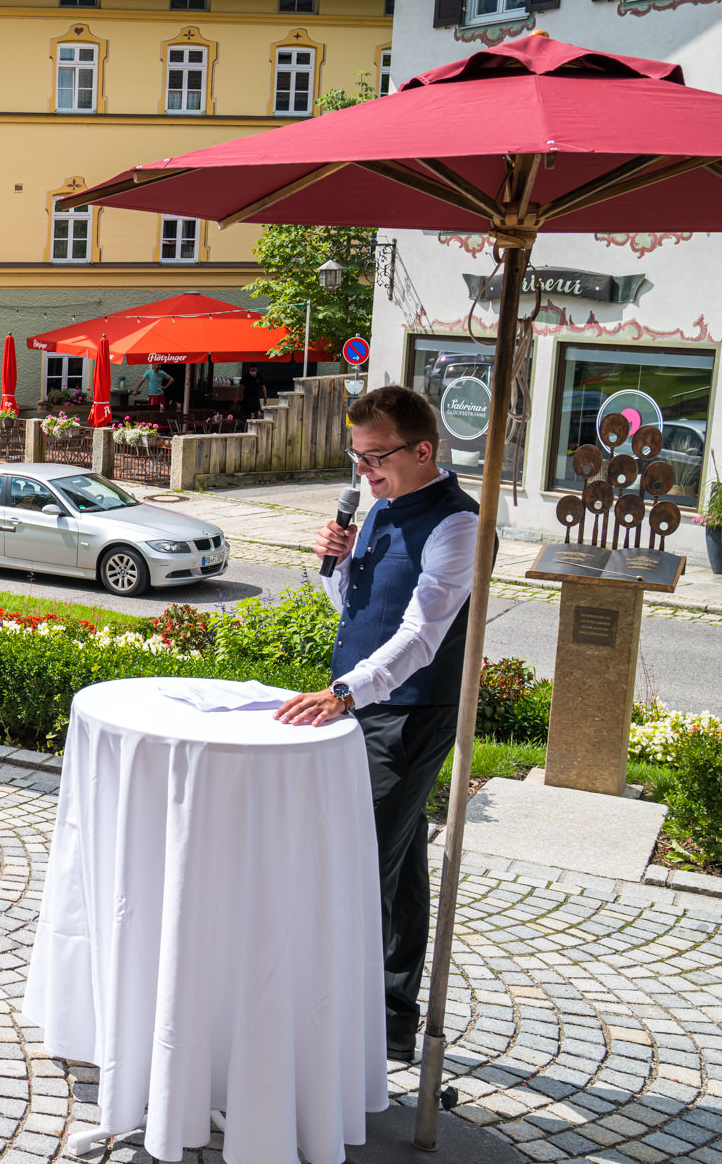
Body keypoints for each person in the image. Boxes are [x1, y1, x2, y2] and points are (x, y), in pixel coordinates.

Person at [277, 384, 482, 1067]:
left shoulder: (458, 524)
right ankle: (392, 1018)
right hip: (361, 704)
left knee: (361, 863)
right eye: (357, 457)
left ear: (422, 451)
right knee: (401, 863)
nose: (363, 472)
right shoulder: (379, 509)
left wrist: (344, 692)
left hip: (411, 713)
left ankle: (344, 1018)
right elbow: (356, 606)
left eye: (375, 457)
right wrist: (336, 564)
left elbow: (422, 635)